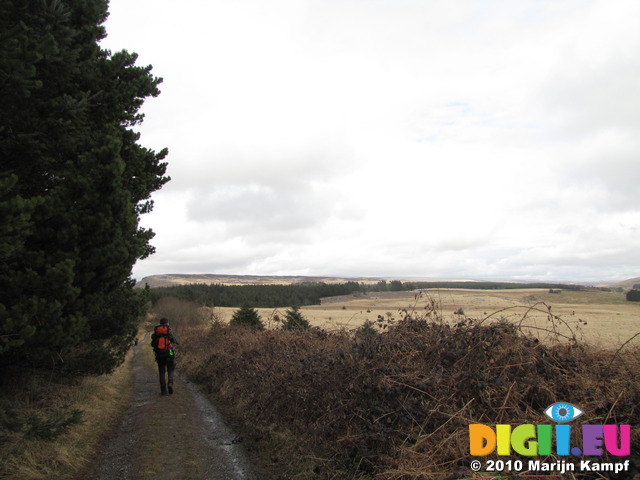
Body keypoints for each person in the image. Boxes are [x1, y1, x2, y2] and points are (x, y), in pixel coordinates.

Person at [150, 317, 180, 396]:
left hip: (159, 354)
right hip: (169, 352)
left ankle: (163, 391)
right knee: (171, 368)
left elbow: (152, 344)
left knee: (161, 372)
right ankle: (170, 383)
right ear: (167, 323)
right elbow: (177, 341)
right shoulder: (169, 331)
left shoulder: (156, 333)